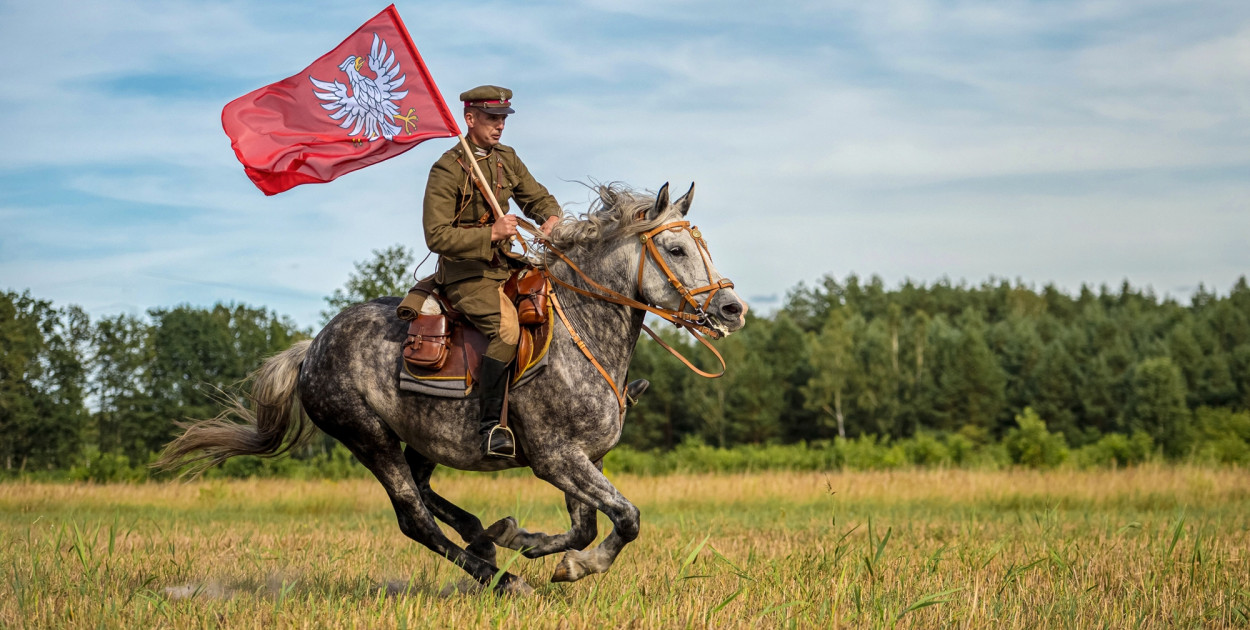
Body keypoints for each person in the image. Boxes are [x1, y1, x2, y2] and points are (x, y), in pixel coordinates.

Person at [423, 85, 561, 459]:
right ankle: (490, 428)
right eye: (492, 119)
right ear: (470, 120)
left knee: (561, 302)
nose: (500, 126)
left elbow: (537, 198)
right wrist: (493, 233)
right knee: (507, 330)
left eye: (503, 119)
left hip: (505, 267)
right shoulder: (447, 169)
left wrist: (550, 217)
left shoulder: (506, 158)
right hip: (467, 276)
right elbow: (435, 235)